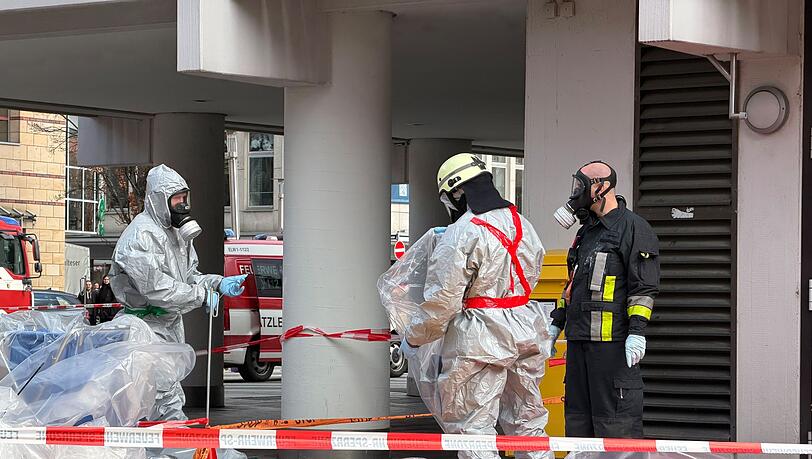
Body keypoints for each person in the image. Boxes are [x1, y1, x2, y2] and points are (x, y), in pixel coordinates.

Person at [400, 153, 551, 459]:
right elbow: (533, 271)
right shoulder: (523, 224)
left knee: (473, 429)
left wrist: (415, 337)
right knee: (528, 425)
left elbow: (442, 300)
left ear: (457, 192)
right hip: (525, 328)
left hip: (479, 339)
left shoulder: (463, 231)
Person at [109, 164, 248, 421]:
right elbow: (157, 288)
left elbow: (188, 277)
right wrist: (200, 295)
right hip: (144, 329)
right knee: (160, 397)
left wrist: (217, 283)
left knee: (165, 393)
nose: (183, 205)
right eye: (177, 199)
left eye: (185, 198)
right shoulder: (140, 236)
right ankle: (172, 448)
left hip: (167, 326)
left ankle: (166, 448)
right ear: (160, 200)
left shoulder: (176, 235)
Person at [549, 160, 660, 438]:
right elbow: (572, 285)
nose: (576, 193)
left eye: (581, 186)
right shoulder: (586, 232)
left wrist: (637, 333)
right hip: (578, 346)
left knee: (615, 426)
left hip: (612, 349)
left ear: (601, 187)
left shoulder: (634, 228)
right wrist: (555, 325)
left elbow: (643, 289)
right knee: (577, 424)